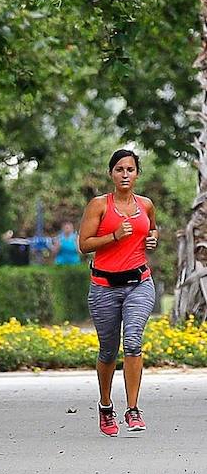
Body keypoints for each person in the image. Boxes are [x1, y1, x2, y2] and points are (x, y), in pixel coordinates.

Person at [79, 147, 159, 436]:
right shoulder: (99, 205)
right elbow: (84, 244)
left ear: (137, 174)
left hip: (139, 282)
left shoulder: (146, 204)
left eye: (130, 169)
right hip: (104, 287)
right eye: (119, 169)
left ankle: (133, 408)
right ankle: (105, 406)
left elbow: (152, 230)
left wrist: (152, 240)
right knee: (108, 351)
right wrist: (113, 236)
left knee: (134, 340)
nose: (125, 174)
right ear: (111, 174)